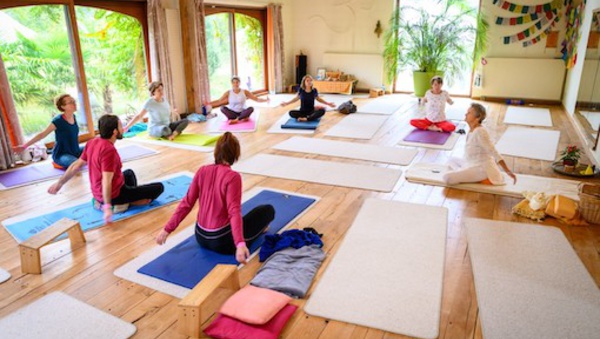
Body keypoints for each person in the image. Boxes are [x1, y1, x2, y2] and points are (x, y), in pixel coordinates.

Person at [155, 132, 275, 264]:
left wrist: (167, 229)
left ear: (216, 152)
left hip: (200, 237)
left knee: (242, 217)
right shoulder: (233, 177)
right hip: (223, 242)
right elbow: (233, 211)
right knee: (267, 210)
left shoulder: (202, 170)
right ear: (235, 154)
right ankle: (259, 230)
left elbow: (187, 203)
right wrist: (240, 244)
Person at [48, 114, 165, 223]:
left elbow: (76, 165)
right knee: (159, 188)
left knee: (129, 173)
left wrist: (59, 183)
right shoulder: (109, 151)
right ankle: (125, 204)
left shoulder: (92, 142)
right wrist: (108, 207)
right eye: (120, 127)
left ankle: (112, 201)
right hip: (114, 195)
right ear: (114, 132)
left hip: (98, 193)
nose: (123, 129)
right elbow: (106, 181)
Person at [442, 103, 517, 186]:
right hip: (470, 163)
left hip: (481, 168)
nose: (466, 114)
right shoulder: (472, 130)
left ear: (478, 117)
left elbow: (493, 152)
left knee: (447, 177)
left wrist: (508, 171)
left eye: (469, 113)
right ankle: (464, 173)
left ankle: (482, 178)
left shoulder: (480, 132)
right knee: (451, 159)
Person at [13, 94, 83, 169]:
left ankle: (76, 159)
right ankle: (57, 163)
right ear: (63, 107)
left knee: (94, 147)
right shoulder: (58, 120)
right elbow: (42, 135)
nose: (74, 103)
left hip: (76, 151)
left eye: (74, 101)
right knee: (76, 164)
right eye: (70, 102)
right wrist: (24, 146)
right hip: (62, 154)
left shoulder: (74, 117)